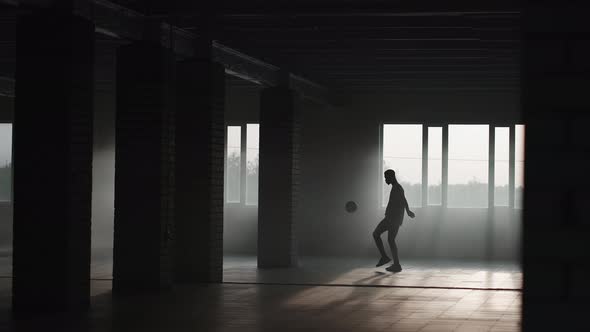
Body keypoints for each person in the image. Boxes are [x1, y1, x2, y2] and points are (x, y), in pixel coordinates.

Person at [373, 169, 415, 272]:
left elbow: (403, 200)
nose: (385, 180)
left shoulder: (397, 188)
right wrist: (408, 211)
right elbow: (404, 199)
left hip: (392, 218)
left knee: (376, 234)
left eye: (386, 177)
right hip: (394, 218)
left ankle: (385, 257)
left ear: (391, 177)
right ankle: (396, 264)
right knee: (391, 240)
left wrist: (408, 211)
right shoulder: (397, 187)